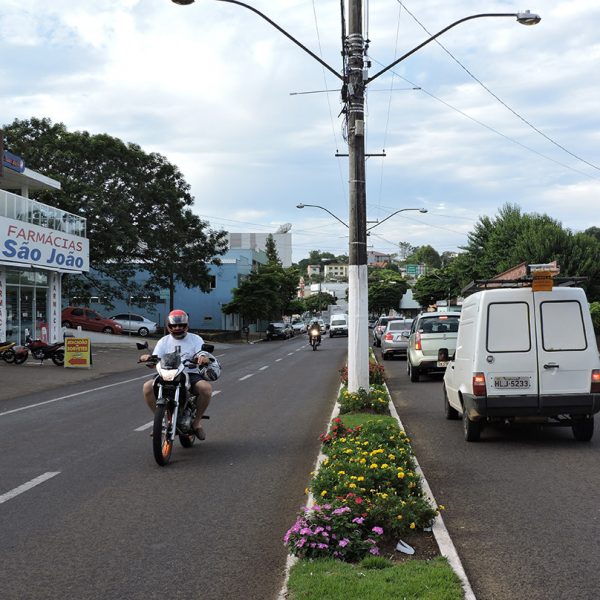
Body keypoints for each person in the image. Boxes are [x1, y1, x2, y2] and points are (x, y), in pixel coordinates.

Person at [141, 309, 215, 440]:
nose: (177, 328)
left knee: (206, 389)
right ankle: (161, 421)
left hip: (189, 373)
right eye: (174, 325)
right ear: (169, 326)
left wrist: (203, 357)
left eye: (181, 325)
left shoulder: (195, 339)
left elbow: (202, 352)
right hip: (167, 373)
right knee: (147, 387)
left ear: (187, 325)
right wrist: (148, 358)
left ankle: (197, 423)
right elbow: (155, 359)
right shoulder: (163, 341)